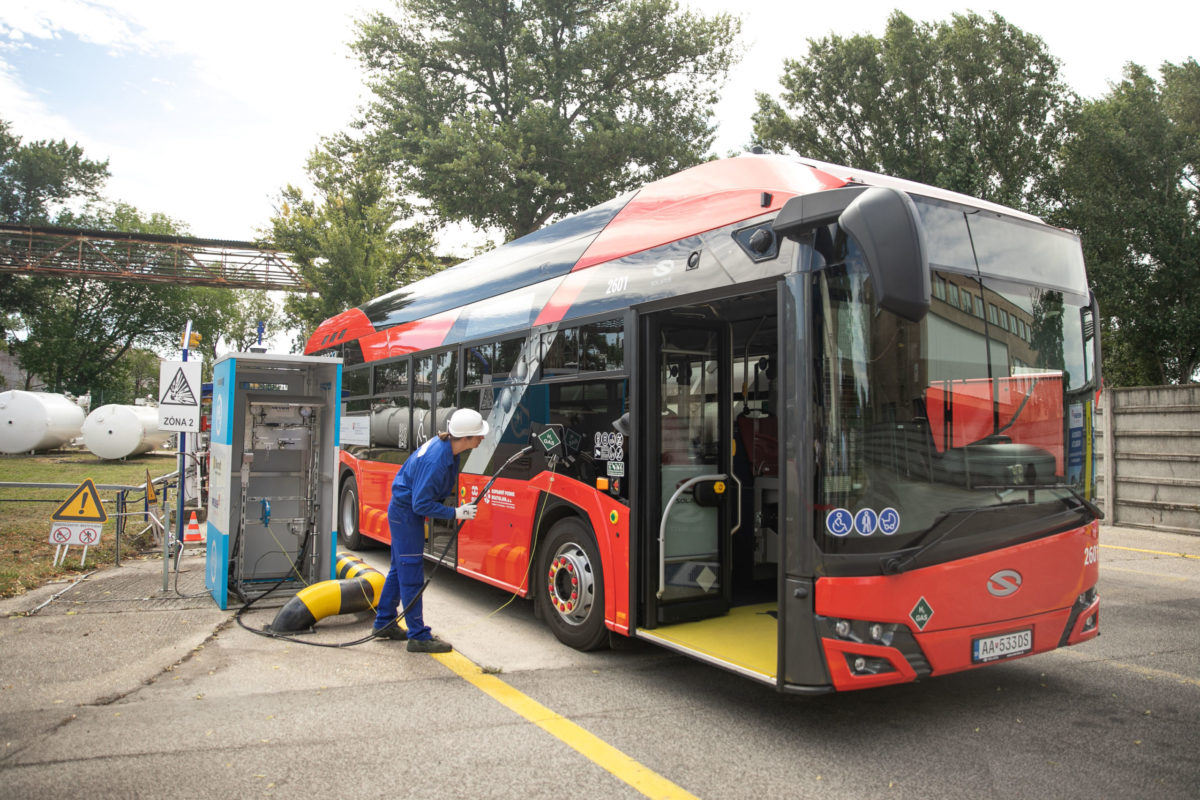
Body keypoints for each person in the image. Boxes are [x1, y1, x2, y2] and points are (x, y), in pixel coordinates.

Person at [372, 408, 489, 653]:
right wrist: (456, 513)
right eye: (479, 434)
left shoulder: (448, 449)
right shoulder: (437, 459)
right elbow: (420, 503)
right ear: (466, 437)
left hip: (404, 512)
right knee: (411, 571)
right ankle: (418, 636)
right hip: (406, 515)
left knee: (399, 568)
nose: (482, 438)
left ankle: (384, 622)